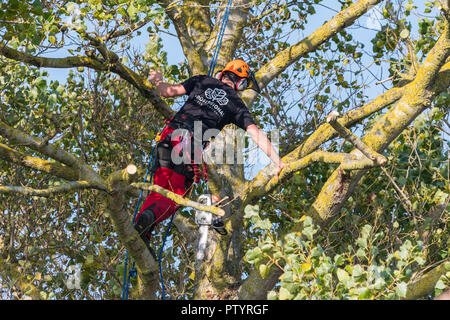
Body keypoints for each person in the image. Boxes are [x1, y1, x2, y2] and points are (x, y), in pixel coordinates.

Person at [134, 59, 285, 257]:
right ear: (240, 84)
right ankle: (147, 222)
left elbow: (167, 92)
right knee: (176, 196)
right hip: (190, 146)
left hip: (169, 136)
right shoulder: (236, 104)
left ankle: (142, 228)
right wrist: (277, 160)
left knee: (160, 189)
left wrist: (157, 80)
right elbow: (255, 133)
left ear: (223, 74)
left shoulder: (202, 80)